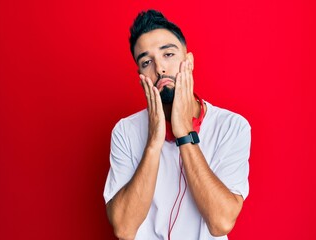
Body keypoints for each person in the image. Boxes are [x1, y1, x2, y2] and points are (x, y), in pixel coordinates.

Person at [103, 9, 251, 240]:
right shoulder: (125, 131)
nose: (160, 68)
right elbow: (124, 228)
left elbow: (221, 222)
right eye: (146, 61)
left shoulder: (232, 126)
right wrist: (153, 142)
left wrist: (184, 132)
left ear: (188, 61)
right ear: (140, 75)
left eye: (168, 54)